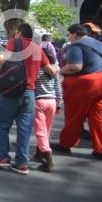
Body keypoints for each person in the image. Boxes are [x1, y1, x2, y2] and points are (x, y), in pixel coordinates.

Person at [0, 23, 56, 175]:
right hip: (29, 93)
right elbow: (51, 71)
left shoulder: (15, 42)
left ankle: (3, 158)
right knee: (24, 129)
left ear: (19, 32)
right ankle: (21, 164)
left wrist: (0, 77)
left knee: (2, 124)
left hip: (11, 92)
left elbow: (4, 63)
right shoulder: (37, 48)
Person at [53, 24, 102, 159]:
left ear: (74, 34)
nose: (69, 38)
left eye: (69, 34)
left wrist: (59, 71)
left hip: (85, 83)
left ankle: (66, 143)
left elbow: (76, 66)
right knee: (100, 117)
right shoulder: (99, 44)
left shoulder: (75, 46)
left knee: (74, 115)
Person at [31, 40, 62, 172]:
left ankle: (47, 157)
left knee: (40, 130)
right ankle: (39, 153)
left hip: (39, 102)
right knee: (46, 130)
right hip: (52, 102)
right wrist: (59, 103)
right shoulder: (54, 70)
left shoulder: (37, 70)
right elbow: (58, 89)